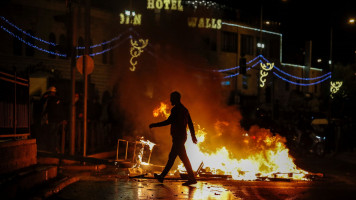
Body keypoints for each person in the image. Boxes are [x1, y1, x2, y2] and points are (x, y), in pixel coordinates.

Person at [149, 91, 198, 186]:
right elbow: (190, 124)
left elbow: (168, 122)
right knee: (179, 158)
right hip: (182, 137)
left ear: (176, 99)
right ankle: (191, 178)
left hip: (178, 138)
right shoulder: (184, 109)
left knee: (175, 158)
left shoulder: (176, 110)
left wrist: (154, 125)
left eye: (172, 98)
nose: (170, 100)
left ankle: (163, 176)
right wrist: (193, 136)